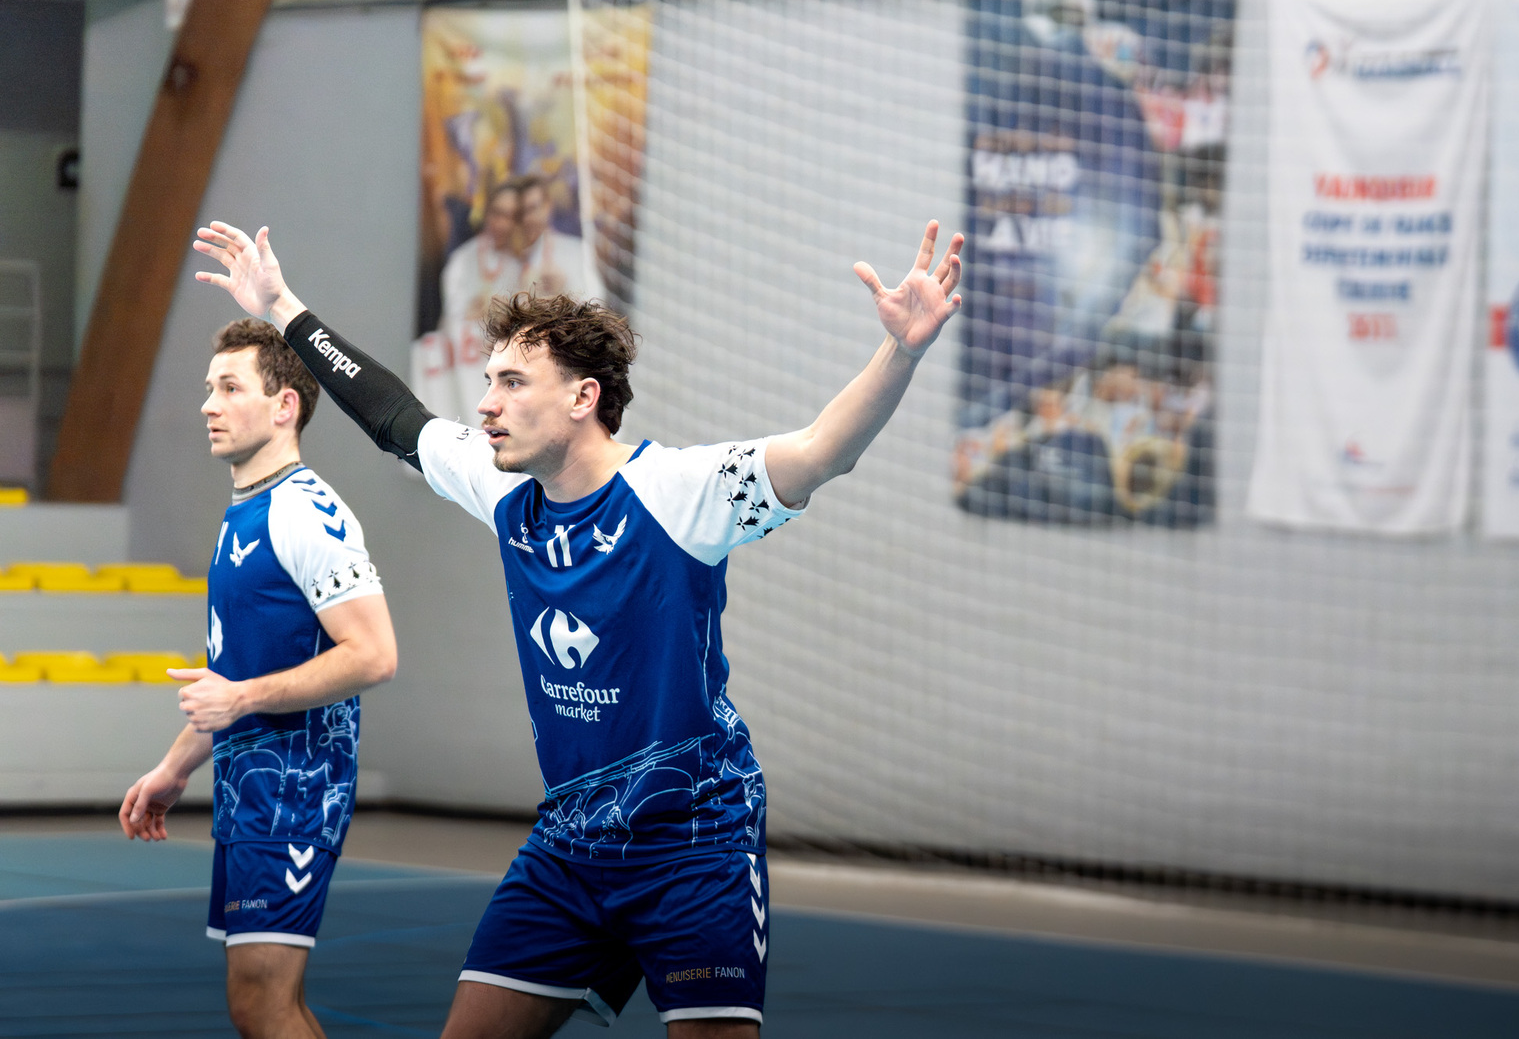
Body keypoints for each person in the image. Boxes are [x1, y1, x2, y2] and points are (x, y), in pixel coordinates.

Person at [192, 216, 961, 1037]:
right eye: (488, 381)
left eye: (513, 382)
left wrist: (901, 351)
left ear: (583, 397)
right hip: (572, 840)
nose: (486, 403)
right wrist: (282, 305)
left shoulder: (680, 492)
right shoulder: (504, 490)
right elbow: (392, 414)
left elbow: (821, 451)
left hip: (693, 839)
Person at [119, 318, 398, 1039]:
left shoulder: (306, 513)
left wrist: (240, 696)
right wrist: (174, 768)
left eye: (230, 388)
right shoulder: (248, 509)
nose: (208, 404)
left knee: (263, 1006)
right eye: (209, 388)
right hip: (250, 793)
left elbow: (373, 655)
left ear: (284, 406)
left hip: (296, 793)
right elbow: (234, 677)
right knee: (268, 1006)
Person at [434, 180, 526, 418]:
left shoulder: (524, 264)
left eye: (511, 216)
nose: (502, 224)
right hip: (464, 370)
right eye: (498, 213)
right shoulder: (462, 260)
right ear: (486, 213)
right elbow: (451, 317)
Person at [516, 175, 591, 301]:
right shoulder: (503, 256)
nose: (527, 219)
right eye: (520, 213)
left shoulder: (574, 251)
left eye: (533, 208)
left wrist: (564, 288)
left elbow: (592, 300)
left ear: (548, 205)